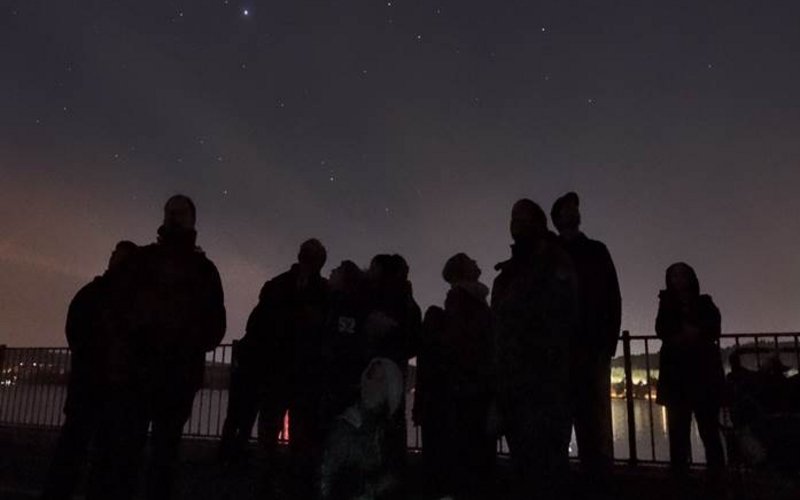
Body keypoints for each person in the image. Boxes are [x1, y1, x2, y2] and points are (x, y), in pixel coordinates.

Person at [88, 195, 226, 500]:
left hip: (172, 378)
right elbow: (114, 306)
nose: (174, 217)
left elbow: (215, 326)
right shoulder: (150, 261)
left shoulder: (201, 270)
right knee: (135, 452)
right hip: (141, 375)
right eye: (170, 212)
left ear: (192, 219)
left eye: (180, 212)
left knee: (159, 454)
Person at [220, 239, 329, 492]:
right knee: (293, 441)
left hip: (279, 376)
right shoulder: (322, 292)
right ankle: (288, 487)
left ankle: (268, 487)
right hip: (296, 377)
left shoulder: (277, 287)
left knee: (270, 439)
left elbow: (256, 328)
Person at [491, 199, 578, 500]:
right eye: (512, 216)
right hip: (515, 387)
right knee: (525, 469)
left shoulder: (553, 260)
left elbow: (561, 316)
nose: (515, 222)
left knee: (546, 471)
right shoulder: (509, 273)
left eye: (522, 216)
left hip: (544, 387)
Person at [41, 241, 138, 500]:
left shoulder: (90, 293)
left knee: (73, 449)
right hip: (109, 388)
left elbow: (74, 334)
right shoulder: (130, 300)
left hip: (87, 385)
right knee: (99, 455)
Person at [550, 192, 621, 481]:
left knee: (595, 425)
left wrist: (607, 345)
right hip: (558, 352)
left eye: (574, 208)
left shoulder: (596, 250)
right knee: (559, 423)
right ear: (557, 217)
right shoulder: (548, 253)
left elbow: (613, 298)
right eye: (566, 208)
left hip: (591, 350)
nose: (572, 212)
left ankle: (598, 482)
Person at [414, 253, 494, 500]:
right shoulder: (465, 302)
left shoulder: (461, 302)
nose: (476, 261)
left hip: (465, 397)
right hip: (469, 398)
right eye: (471, 259)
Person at [655, 262, 725, 474]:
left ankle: (716, 476)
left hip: (703, 375)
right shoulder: (666, 304)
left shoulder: (705, 303)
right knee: (678, 432)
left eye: (682, 275)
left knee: (709, 429)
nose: (678, 280)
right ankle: (681, 476)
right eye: (674, 276)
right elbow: (661, 329)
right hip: (678, 376)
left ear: (691, 278)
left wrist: (688, 333)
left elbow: (713, 328)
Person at [319, 357, 405, 500]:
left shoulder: (387, 434)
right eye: (371, 377)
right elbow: (326, 482)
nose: (372, 385)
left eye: (381, 381)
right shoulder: (346, 428)